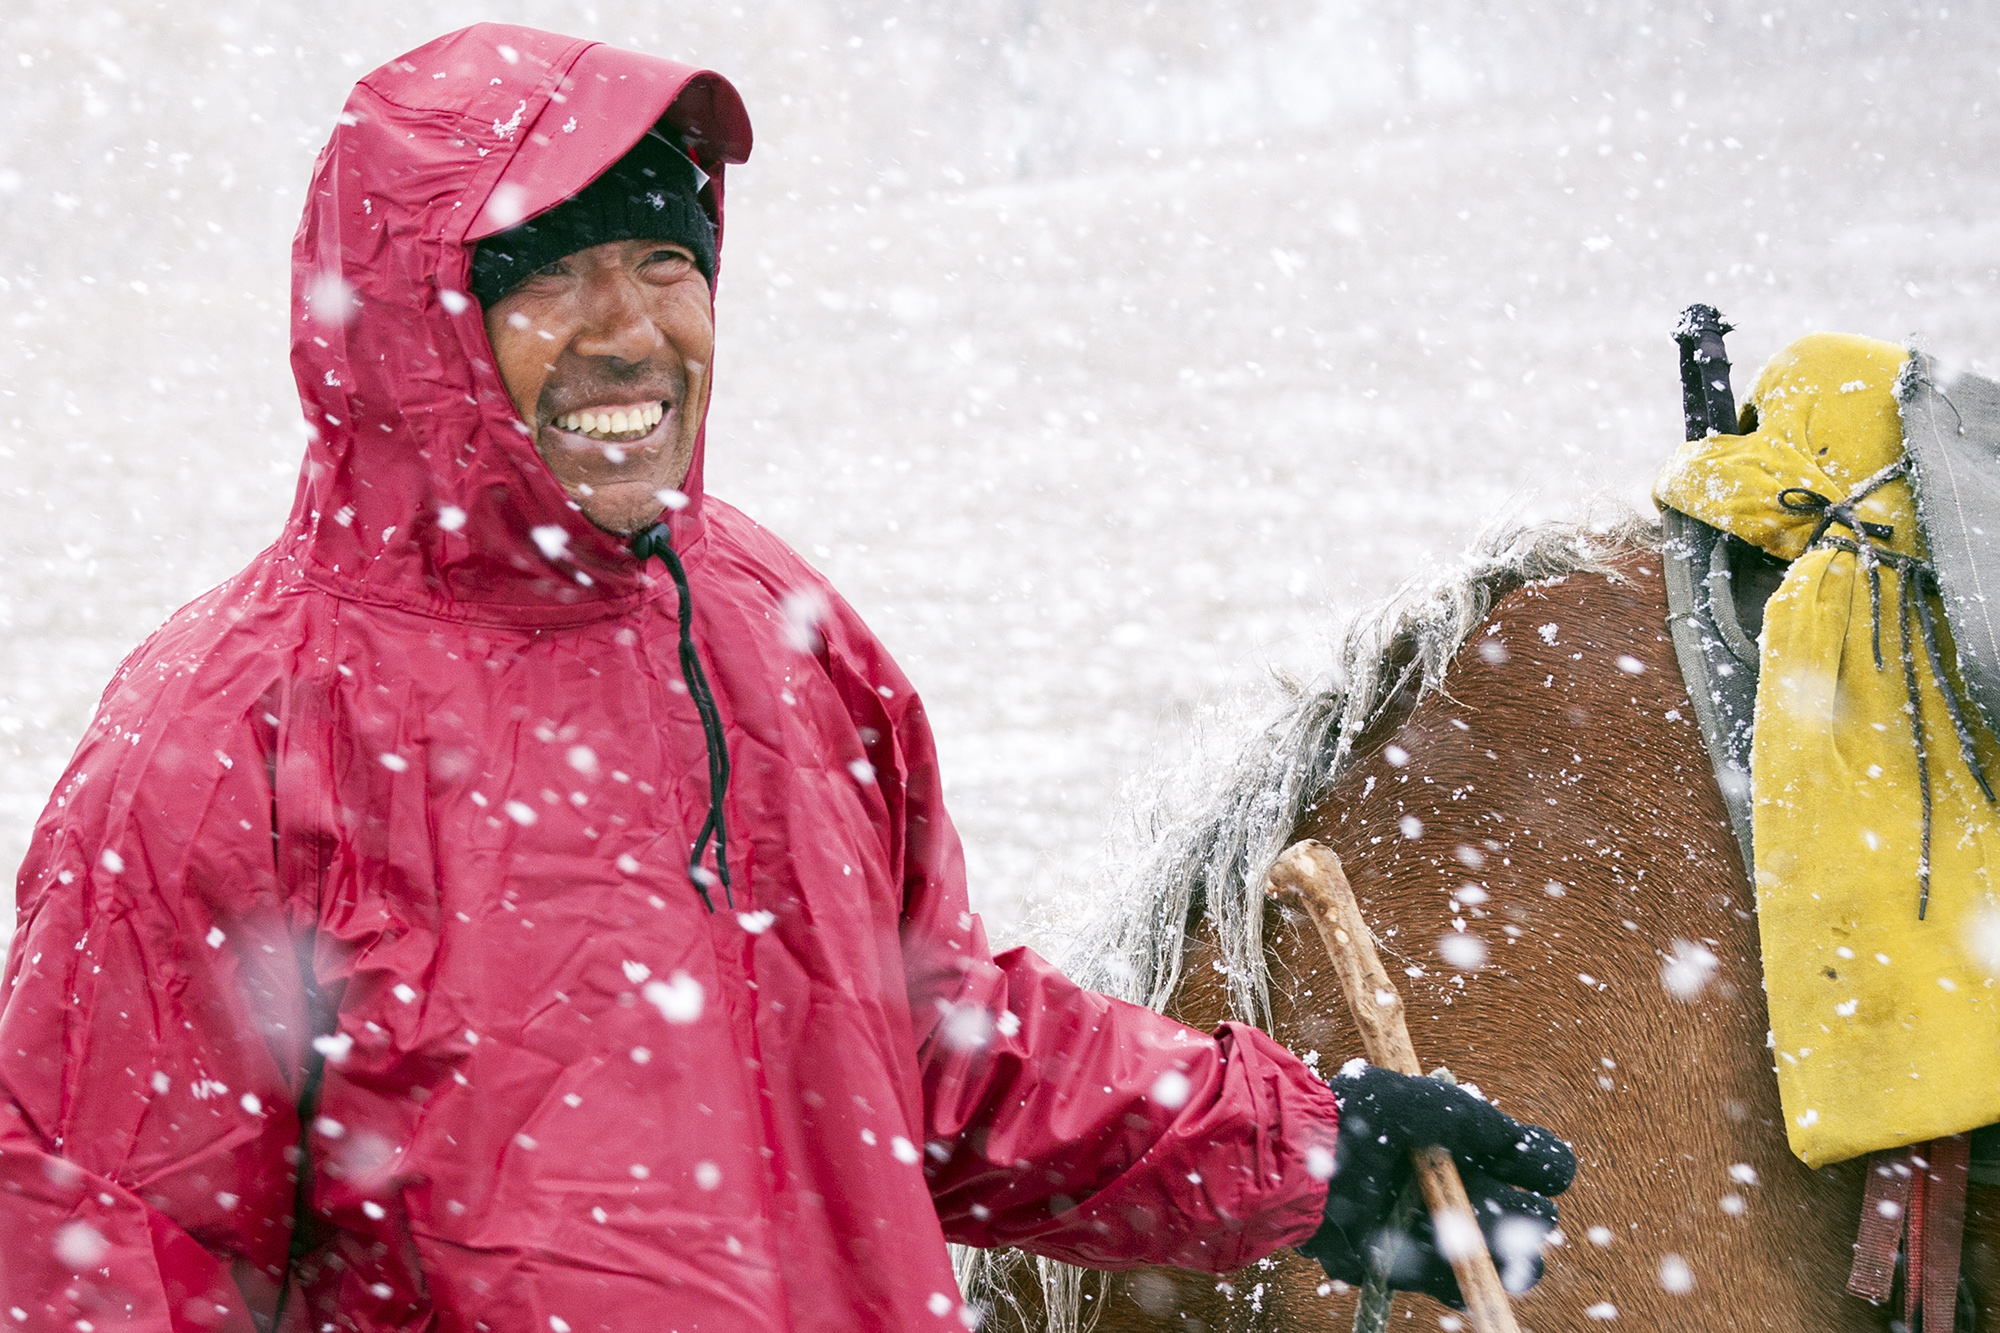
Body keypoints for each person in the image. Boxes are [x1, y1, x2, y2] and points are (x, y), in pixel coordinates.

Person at [0, 24, 1572, 1331]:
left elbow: (938, 1053)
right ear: (420, 328)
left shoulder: (775, 630)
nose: (631, 329)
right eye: (550, 274)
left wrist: (1315, 1155)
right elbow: (103, 1257)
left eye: (664, 259)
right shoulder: (225, 738)